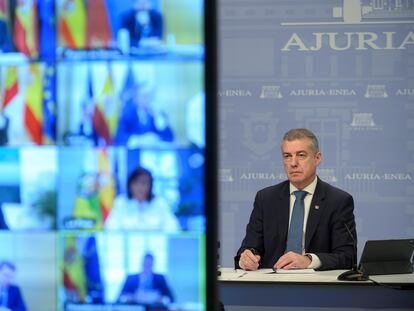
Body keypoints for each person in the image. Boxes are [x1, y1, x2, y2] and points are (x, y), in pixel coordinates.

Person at [236, 128, 356, 271]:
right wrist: (246, 259)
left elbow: (348, 257)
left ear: (317, 158)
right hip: (271, 285)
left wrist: (309, 260)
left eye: (301, 155)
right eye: (287, 156)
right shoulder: (266, 199)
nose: (293, 163)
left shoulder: (338, 201)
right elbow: (249, 248)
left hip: (318, 287)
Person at [105, 167, 180, 231]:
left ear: (150, 186)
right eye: (136, 183)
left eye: (144, 183)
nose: (140, 187)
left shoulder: (159, 203)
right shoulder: (121, 202)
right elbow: (110, 227)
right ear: (130, 184)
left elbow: (173, 227)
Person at [114, 83, 174, 147]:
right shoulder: (127, 115)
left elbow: (170, 138)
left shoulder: (159, 114)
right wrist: (140, 140)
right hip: (134, 154)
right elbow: (119, 138)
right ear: (136, 99)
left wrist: (158, 117)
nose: (148, 99)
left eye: (150, 96)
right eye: (144, 96)